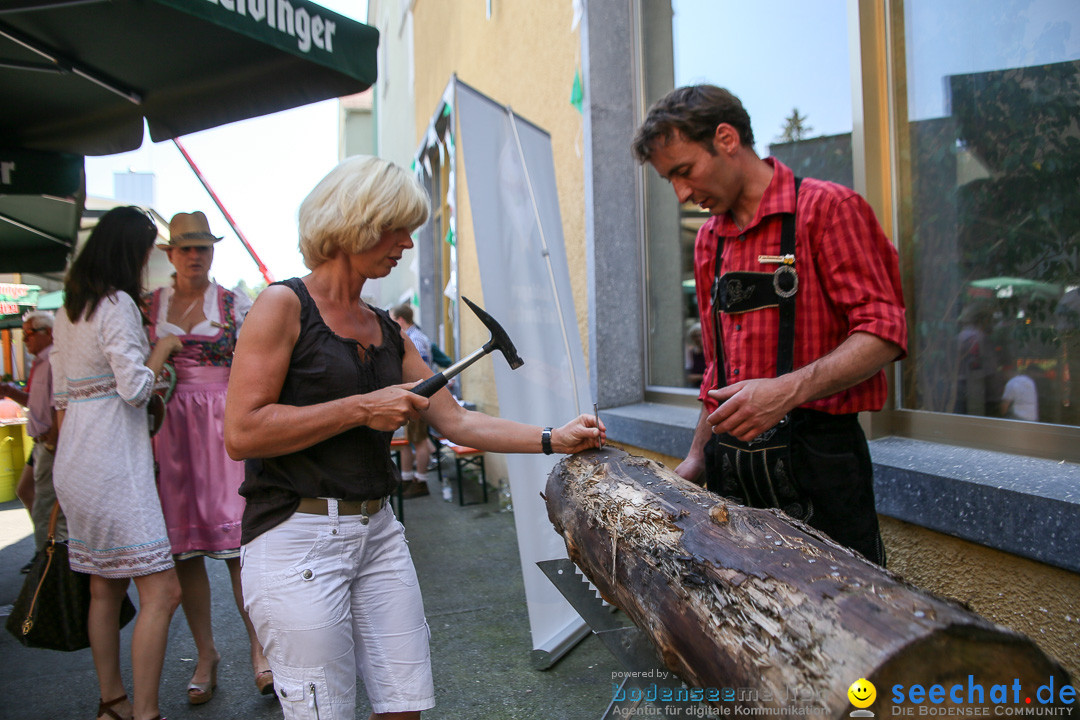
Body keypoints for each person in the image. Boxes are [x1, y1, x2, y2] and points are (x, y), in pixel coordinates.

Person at [224, 155, 604, 720]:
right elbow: (242, 431)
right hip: (296, 537)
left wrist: (556, 436)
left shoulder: (386, 327)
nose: (406, 242)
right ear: (356, 220)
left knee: (404, 707)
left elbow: (458, 422)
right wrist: (359, 408)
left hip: (378, 532)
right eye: (396, 227)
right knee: (323, 712)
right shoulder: (282, 306)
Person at [632, 85, 907, 565]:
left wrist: (787, 390)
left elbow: (884, 332)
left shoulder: (828, 210)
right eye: (668, 181)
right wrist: (698, 455)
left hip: (821, 461)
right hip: (729, 464)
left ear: (726, 138)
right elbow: (717, 367)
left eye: (684, 171)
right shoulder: (708, 242)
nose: (681, 193)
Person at [50, 206, 184, 720]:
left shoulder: (68, 310)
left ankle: (113, 703)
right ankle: (145, 713)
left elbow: (62, 399)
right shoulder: (117, 303)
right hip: (113, 465)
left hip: (76, 463)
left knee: (103, 588)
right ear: (129, 251)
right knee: (162, 590)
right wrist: (164, 349)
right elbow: (133, 390)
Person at [147, 211, 271, 704]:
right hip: (170, 431)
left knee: (239, 549)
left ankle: (259, 651)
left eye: (203, 247)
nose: (195, 255)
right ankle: (205, 654)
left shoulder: (232, 302)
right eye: (186, 248)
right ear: (171, 254)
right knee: (185, 551)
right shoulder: (147, 306)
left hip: (222, 426)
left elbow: (256, 364)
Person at [0, 310, 66, 570]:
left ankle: (47, 558)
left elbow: (56, 405)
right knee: (27, 492)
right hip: (40, 441)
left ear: (47, 333)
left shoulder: (52, 361)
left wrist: (51, 442)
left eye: (29, 333)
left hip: (47, 442)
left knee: (45, 504)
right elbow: (36, 403)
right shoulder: (39, 362)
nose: (25, 339)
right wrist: (8, 391)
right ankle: (46, 552)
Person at [389, 303, 437, 498]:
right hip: (415, 395)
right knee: (411, 441)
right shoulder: (417, 337)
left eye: (393, 320)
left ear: (400, 320)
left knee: (419, 441)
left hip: (418, 396)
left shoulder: (413, 340)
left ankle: (420, 481)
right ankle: (408, 478)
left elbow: (418, 375)